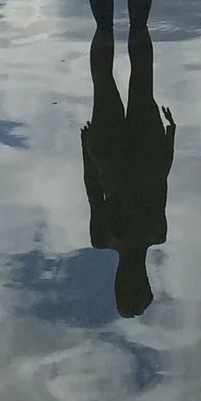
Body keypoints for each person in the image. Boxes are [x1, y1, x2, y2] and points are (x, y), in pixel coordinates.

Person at [82, 24, 173, 318]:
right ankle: (107, 23)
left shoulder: (157, 233)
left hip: (141, 157)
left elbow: (161, 182)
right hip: (114, 158)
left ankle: (113, 20)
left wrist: (169, 143)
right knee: (106, 77)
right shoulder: (103, 238)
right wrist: (87, 150)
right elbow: (94, 190)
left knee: (140, 74)